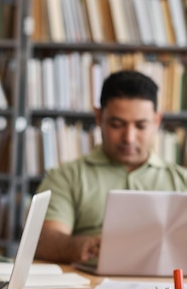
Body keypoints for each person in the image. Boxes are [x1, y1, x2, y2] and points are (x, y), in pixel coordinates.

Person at [35, 70, 187, 264]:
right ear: (98, 117)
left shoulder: (182, 180)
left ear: (157, 121)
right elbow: (44, 239)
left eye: (140, 126)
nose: (129, 138)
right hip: (88, 287)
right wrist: (78, 246)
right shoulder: (66, 176)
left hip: (166, 288)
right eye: (116, 124)